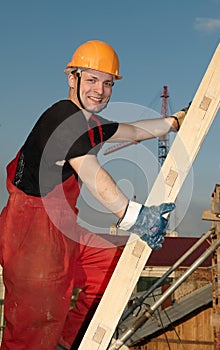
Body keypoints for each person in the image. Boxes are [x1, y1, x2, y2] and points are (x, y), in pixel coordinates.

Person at [0, 40, 188, 350]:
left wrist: (173, 122)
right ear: (71, 78)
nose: (99, 90)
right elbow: (91, 172)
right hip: (30, 238)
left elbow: (135, 131)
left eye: (107, 83)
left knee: (115, 266)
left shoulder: (90, 124)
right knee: (32, 331)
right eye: (91, 79)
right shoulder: (61, 116)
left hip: (62, 232)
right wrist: (135, 217)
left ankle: (68, 341)